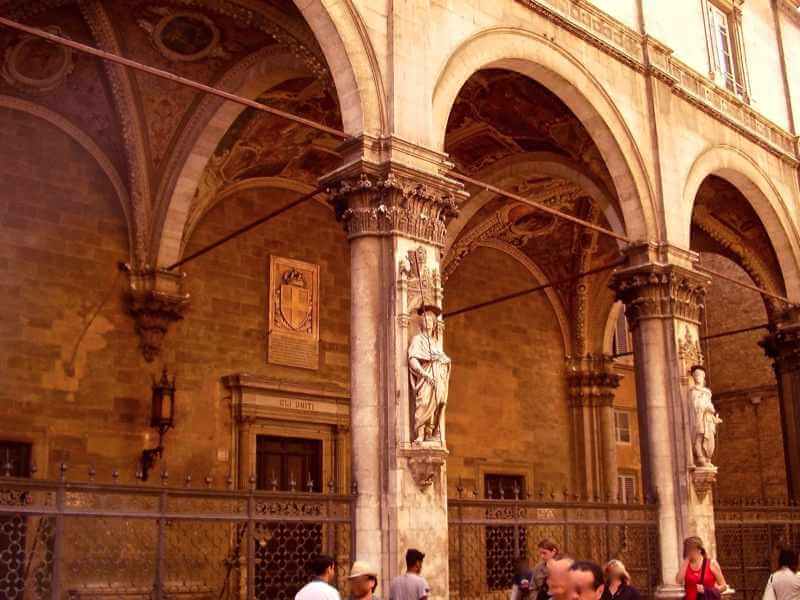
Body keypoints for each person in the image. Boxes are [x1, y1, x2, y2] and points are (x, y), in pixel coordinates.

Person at [408, 305, 451, 444]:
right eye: (425, 319)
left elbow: (443, 358)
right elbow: (412, 359)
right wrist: (425, 375)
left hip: (439, 379)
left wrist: (445, 361)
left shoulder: (436, 343)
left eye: (430, 320)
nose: (428, 322)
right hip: (426, 378)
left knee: (438, 404)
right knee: (424, 402)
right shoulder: (418, 340)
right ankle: (420, 435)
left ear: (434, 324)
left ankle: (430, 433)